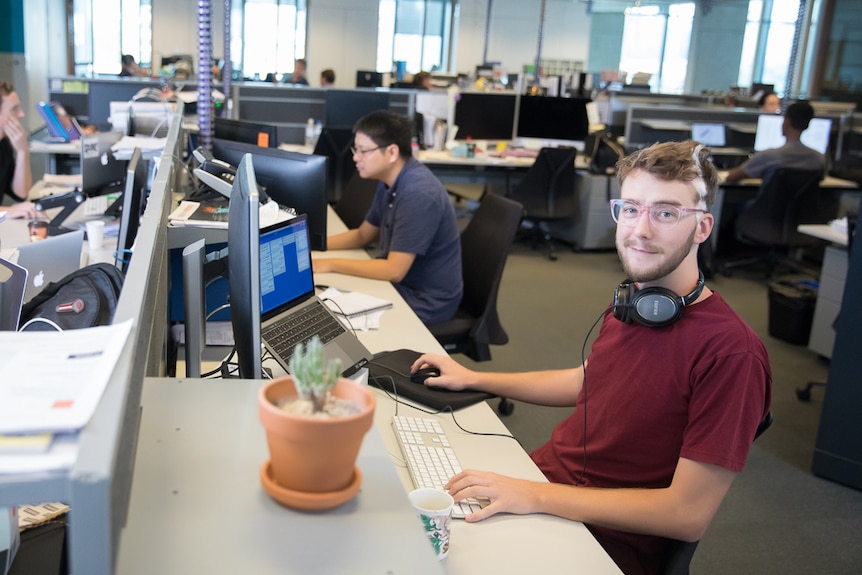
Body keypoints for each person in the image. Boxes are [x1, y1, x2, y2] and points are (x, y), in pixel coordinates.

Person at [410, 140, 772, 575]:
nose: (641, 230)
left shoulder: (731, 353)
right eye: (632, 208)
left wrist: (535, 496)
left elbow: (687, 514)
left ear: (702, 227)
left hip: (597, 539)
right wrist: (476, 379)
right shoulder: (634, 304)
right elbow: (590, 379)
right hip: (544, 486)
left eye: (666, 212)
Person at [312, 110, 462, 325]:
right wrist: (313, 245)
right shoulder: (390, 181)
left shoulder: (418, 194)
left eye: (363, 151)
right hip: (401, 285)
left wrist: (328, 264)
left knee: (330, 316)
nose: (355, 157)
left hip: (424, 300)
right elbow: (363, 236)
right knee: (326, 298)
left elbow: (394, 271)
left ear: (391, 152)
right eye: (356, 149)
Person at [725, 101, 824, 183]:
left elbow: (732, 177)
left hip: (769, 206)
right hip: (803, 207)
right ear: (807, 125)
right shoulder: (819, 159)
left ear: (787, 122)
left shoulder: (770, 156)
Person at [0, 81, 39, 219]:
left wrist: (23, 151)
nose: (21, 114)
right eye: (14, 109)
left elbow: (20, 193)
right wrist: (8, 211)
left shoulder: (4, 144)